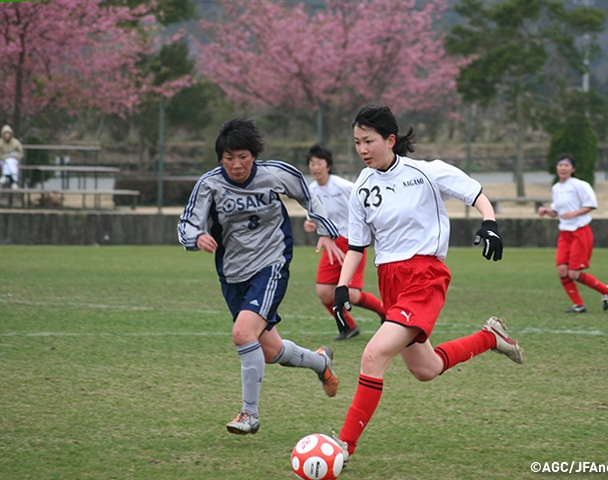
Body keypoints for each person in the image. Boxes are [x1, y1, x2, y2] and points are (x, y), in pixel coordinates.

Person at [330, 105, 524, 465]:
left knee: (373, 355)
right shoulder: (362, 187)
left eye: (369, 141)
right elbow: (357, 246)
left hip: (424, 276)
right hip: (389, 280)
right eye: (357, 142)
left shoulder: (427, 172)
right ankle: (490, 337)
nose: (362, 149)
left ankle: (343, 445)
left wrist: (489, 222)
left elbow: (475, 193)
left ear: (390, 139)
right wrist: (342, 289)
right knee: (426, 369)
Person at [177, 118, 345, 436]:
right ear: (220, 158)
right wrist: (196, 238)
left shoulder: (276, 174)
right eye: (228, 158)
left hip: (271, 264)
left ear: (253, 155)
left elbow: (309, 197)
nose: (236, 165)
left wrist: (325, 230)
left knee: (243, 333)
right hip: (232, 273)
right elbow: (187, 223)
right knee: (269, 351)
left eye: (242, 156)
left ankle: (249, 414)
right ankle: (320, 362)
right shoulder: (209, 184)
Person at [304, 143, 386, 340]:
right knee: (324, 292)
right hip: (330, 244)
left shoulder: (343, 186)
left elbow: (366, 202)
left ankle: (385, 312)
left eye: (319, 163)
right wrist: (311, 223)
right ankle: (349, 327)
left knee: (352, 295)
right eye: (312, 164)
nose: (315, 167)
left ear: (328, 166)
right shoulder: (311, 190)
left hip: (351, 243)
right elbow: (314, 215)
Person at [538, 154, 608, 313]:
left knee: (573, 273)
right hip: (564, 233)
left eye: (566, 165)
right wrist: (547, 211)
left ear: (572, 169)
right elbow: (558, 212)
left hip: (580, 231)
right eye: (560, 165)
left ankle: (606, 290)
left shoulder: (580, 185)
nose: (563, 168)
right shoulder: (556, 188)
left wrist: (573, 214)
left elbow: (592, 205)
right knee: (562, 270)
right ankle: (579, 305)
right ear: (556, 168)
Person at [0, 125, 23, 189]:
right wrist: (6, 157)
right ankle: (14, 182)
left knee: (10, 162)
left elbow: (20, 152)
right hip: (3, 160)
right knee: (9, 162)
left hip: (14, 159)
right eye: (5, 134)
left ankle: (5, 176)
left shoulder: (15, 142)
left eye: (8, 134)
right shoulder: (0, 142)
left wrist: (15, 157)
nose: (7, 136)